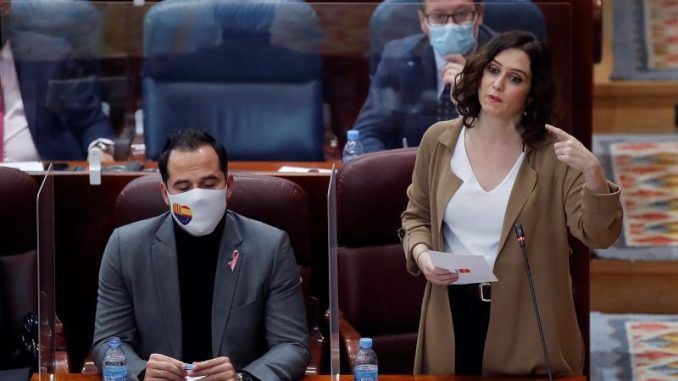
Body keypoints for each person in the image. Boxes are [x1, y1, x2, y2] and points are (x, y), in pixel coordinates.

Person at [400, 31, 623, 376]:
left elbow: (599, 236)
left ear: (532, 93)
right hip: (451, 311)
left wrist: (594, 173)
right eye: (493, 70)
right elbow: (416, 216)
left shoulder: (554, 154)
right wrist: (422, 254)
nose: (498, 84)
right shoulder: (439, 140)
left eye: (515, 78)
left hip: (528, 320)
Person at [93, 130, 310, 381]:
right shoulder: (125, 247)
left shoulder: (270, 246)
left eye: (208, 184)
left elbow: (291, 345)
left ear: (228, 186)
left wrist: (243, 378)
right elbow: (108, 342)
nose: (197, 196)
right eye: (183, 187)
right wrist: (141, 373)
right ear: (165, 193)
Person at [353, 0, 495, 153]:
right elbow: (367, 134)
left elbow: (512, 136)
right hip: (411, 172)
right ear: (423, 21)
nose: (450, 25)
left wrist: (471, 97)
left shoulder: (505, 61)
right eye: (439, 16)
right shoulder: (398, 58)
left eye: (461, 14)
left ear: (479, 14)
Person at [0, 0, 115, 162]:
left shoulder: (48, 55)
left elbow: (91, 121)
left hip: (41, 179)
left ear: (5, 7)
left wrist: (100, 150)